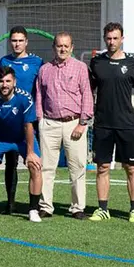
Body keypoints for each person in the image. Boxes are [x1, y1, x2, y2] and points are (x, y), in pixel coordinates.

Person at [88, 23, 134, 223]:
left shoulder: (133, 64)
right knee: (102, 167)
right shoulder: (96, 63)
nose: (111, 42)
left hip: (126, 123)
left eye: (115, 38)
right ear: (104, 39)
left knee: (131, 168)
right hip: (102, 123)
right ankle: (103, 209)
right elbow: (88, 90)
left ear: (122, 39)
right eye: (108, 38)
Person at [35, 32, 93, 220]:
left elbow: (87, 95)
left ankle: (77, 208)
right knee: (47, 168)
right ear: (54, 47)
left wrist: (83, 122)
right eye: (59, 45)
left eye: (66, 46)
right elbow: (39, 96)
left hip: (73, 123)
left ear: (72, 47)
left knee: (77, 167)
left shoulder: (80, 68)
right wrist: (41, 121)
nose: (62, 49)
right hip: (49, 124)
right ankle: (45, 206)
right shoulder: (45, 69)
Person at [0, 66, 43, 222]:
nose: (4, 85)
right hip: (0, 138)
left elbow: (28, 127)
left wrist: (30, 152)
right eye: (1, 81)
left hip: (22, 138)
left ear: (14, 82)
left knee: (35, 165)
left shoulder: (24, 98)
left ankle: (33, 209)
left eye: (8, 81)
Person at [0, 26, 43, 214]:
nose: (17, 44)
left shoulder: (37, 62)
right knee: (10, 162)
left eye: (20, 40)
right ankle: (10, 202)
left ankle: (35, 206)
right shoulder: (4, 61)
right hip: (7, 119)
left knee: (34, 161)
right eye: (14, 40)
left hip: (30, 119)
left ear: (26, 42)